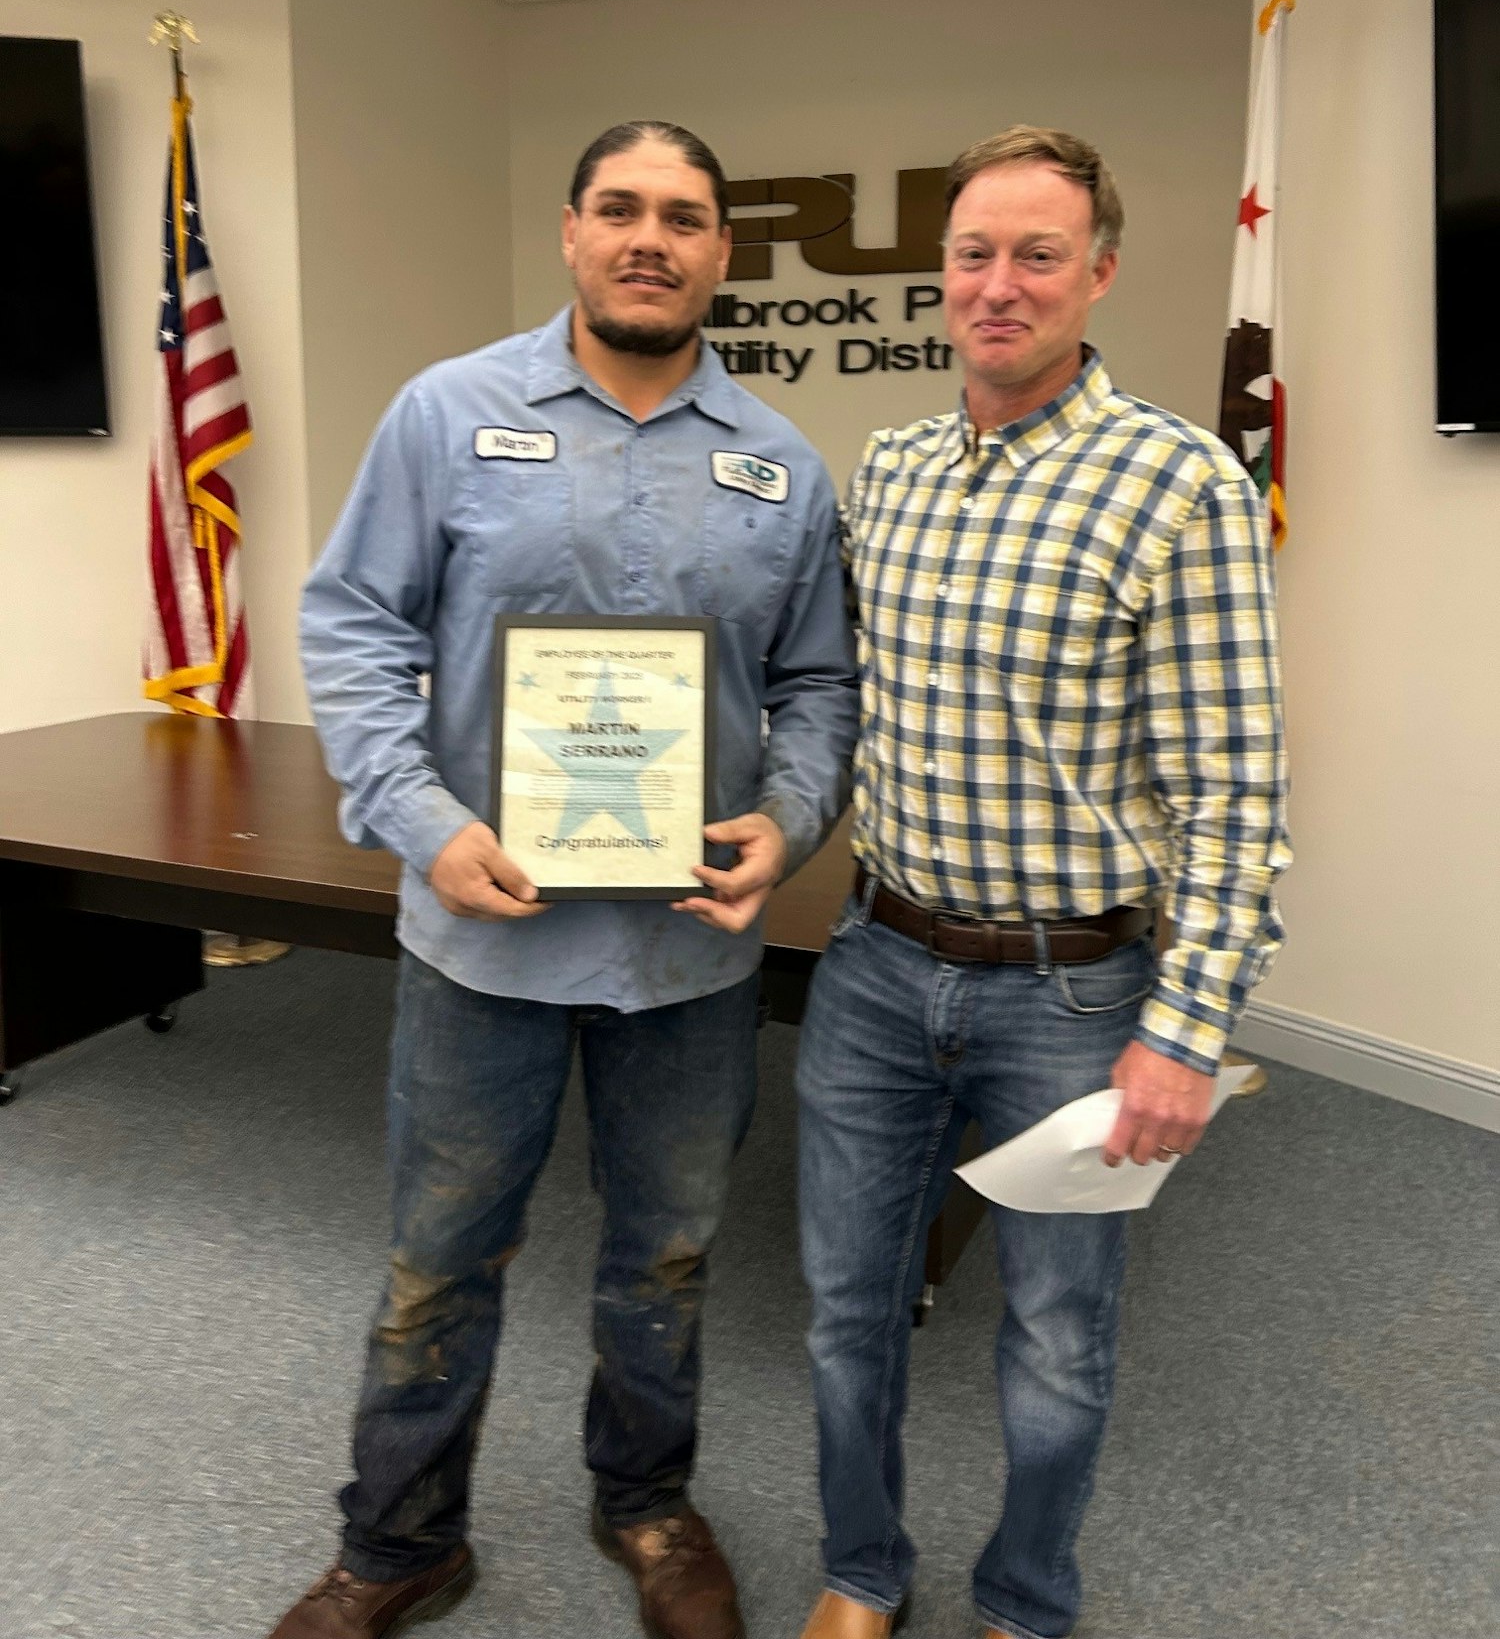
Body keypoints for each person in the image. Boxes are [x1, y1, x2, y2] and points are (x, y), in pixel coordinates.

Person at [279, 121, 858, 1639]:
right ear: (571, 231)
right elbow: (349, 625)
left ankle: (648, 1508)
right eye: (621, 209)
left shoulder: (782, 465)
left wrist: (789, 824)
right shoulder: (447, 412)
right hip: (486, 948)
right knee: (437, 1260)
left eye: (684, 216)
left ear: (725, 251)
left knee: (664, 1259)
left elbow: (820, 685)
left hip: (687, 961)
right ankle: (400, 1543)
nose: (649, 238)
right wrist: (418, 817)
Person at [796, 126, 1290, 1639]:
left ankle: (1024, 1601)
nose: (997, 285)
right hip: (876, 966)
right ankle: (862, 1574)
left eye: (1036, 255)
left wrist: (1186, 1032)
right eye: (971, 253)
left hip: (1075, 996)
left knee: (1058, 1339)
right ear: (939, 274)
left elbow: (1234, 790)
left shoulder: (1178, 483)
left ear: (1099, 273)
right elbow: (828, 695)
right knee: (843, 1317)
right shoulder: (887, 468)